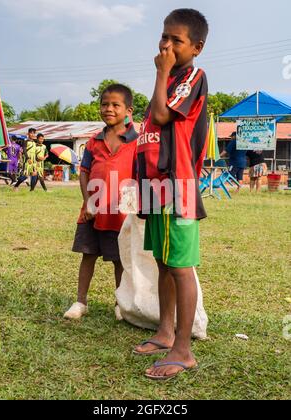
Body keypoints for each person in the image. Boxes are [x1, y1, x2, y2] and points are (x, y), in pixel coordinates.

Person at [135, 8, 209, 380]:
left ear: (196, 47)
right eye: (163, 37)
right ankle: (165, 332)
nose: (165, 44)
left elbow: (164, 118)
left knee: (180, 266)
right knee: (163, 262)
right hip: (154, 186)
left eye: (175, 40)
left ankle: (183, 348)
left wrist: (161, 72)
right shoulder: (165, 82)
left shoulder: (192, 76)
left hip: (178, 186)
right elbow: (149, 135)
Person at [64, 84, 138, 320]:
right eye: (105, 104)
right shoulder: (94, 141)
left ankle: (120, 304)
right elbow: (84, 171)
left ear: (129, 110)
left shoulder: (137, 141)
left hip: (121, 212)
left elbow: (139, 176)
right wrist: (88, 203)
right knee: (88, 254)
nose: (109, 109)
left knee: (120, 259)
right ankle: (80, 302)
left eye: (116, 105)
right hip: (93, 211)